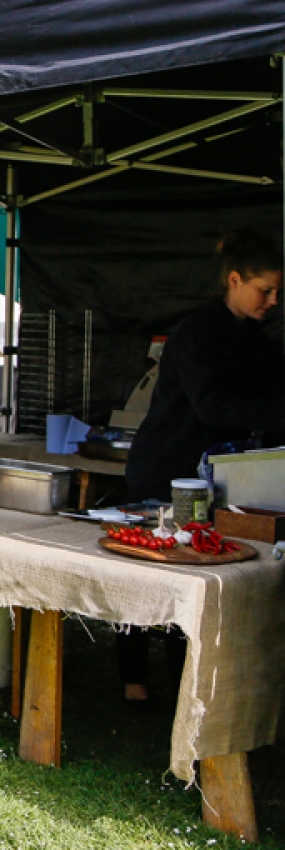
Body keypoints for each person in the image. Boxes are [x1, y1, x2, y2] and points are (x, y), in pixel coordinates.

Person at [120, 229, 285, 701]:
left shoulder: (256, 338)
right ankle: (134, 680)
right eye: (265, 290)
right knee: (145, 570)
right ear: (235, 280)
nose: (272, 301)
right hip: (164, 468)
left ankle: (183, 684)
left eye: (277, 293)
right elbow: (213, 406)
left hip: (212, 478)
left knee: (195, 577)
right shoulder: (196, 333)